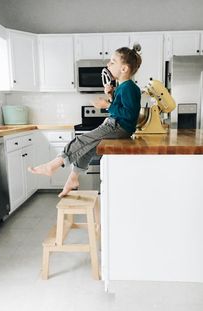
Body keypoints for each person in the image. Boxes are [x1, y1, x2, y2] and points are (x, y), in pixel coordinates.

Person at [28, 45, 142, 197]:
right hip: (116, 125)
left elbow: (129, 114)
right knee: (87, 149)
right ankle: (73, 179)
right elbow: (121, 107)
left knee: (81, 140)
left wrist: (106, 105)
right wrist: (110, 95)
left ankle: (53, 165)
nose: (108, 64)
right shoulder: (122, 86)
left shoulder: (129, 87)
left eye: (113, 62)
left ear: (124, 69)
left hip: (118, 126)